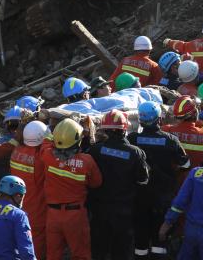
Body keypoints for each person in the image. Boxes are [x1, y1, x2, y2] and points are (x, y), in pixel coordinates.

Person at [128, 101, 189, 259]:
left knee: (140, 235)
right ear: (159, 119)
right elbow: (186, 163)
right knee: (159, 238)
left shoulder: (132, 139)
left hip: (139, 195)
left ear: (141, 120)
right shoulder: (170, 140)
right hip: (163, 195)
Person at [89, 110, 149, 260]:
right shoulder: (135, 153)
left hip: (99, 209)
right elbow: (143, 180)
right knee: (122, 249)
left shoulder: (96, 150)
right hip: (124, 210)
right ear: (124, 129)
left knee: (99, 248)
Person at [41, 118, 102, 260]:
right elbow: (96, 183)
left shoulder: (47, 155)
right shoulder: (87, 161)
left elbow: (46, 141)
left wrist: (56, 128)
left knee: (53, 255)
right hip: (75, 216)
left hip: (53, 215)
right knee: (80, 254)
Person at [10, 120, 49, 258]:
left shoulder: (16, 151)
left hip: (17, 207)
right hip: (36, 210)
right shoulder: (41, 157)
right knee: (36, 247)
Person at [162, 96, 203, 185]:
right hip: (195, 183)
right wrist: (199, 122)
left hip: (172, 182)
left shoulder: (166, 130)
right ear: (195, 113)